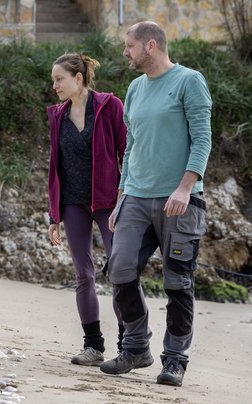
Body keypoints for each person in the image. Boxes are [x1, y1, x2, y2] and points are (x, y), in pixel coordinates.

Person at [99, 21, 212, 388]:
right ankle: (135, 348)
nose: (125, 52)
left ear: (150, 45)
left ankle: (175, 360)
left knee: (177, 282)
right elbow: (131, 147)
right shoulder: (134, 89)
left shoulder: (188, 81)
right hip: (135, 197)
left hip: (180, 201)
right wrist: (121, 198)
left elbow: (202, 139)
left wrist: (184, 188)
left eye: (128, 46)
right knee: (119, 269)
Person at [47, 52, 127, 366]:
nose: (54, 86)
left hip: (110, 203)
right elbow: (55, 166)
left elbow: (127, 154)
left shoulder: (110, 106)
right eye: (53, 80)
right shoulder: (57, 115)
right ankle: (93, 346)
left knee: (122, 274)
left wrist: (126, 200)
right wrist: (54, 215)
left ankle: (128, 345)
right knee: (83, 275)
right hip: (72, 204)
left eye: (59, 79)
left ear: (78, 78)